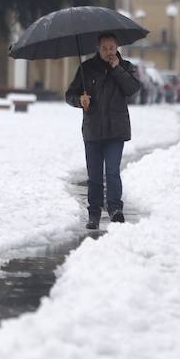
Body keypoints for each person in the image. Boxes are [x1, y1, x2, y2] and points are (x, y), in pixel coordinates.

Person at [65, 33, 141, 230]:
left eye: (112, 47)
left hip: (116, 130)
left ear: (117, 47)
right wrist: (79, 101)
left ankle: (116, 210)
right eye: (105, 48)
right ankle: (94, 213)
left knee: (113, 172)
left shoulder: (126, 67)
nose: (109, 52)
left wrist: (117, 69)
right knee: (95, 175)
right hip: (93, 130)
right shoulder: (87, 69)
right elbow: (70, 95)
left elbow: (132, 89)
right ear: (98, 48)